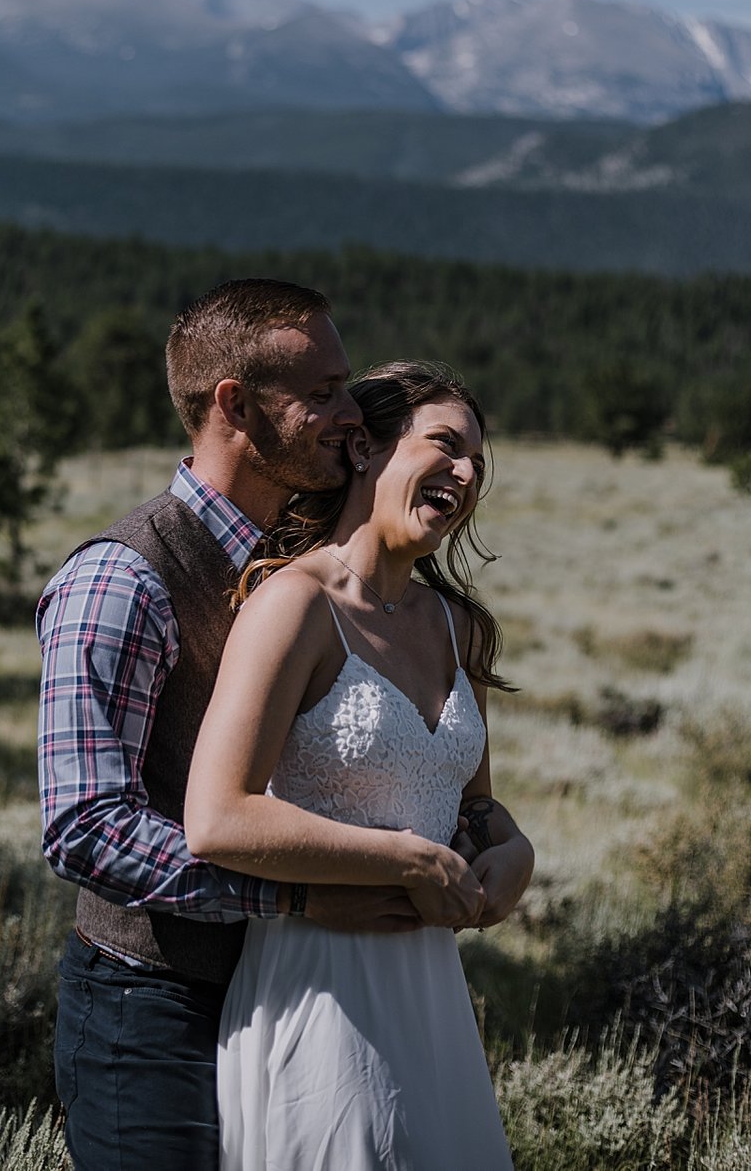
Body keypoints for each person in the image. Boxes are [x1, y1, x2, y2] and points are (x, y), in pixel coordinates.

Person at [38, 279, 433, 1171]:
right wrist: (291, 897)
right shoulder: (121, 579)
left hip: (300, 997)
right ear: (235, 405)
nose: (349, 414)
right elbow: (83, 826)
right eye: (323, 392)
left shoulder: (305, 569)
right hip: (151, 1010)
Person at [185, 360, 533, 1170]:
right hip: (319, 989)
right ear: (366, 448)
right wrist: (402, 856)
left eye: (478, 462)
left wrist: (512, 848)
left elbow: (473, 802)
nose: (468, 472)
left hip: (432, 999)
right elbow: (218, 815)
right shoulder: (293, 606)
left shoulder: (460, 630)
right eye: (445, 444)